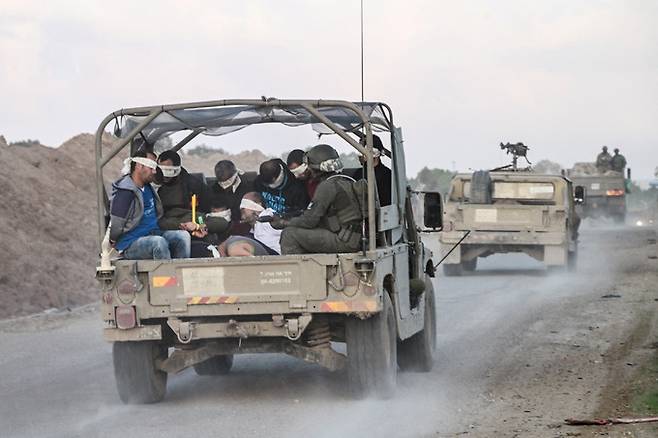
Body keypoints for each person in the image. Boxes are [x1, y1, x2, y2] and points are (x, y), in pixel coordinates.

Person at [276, 144, 363, 254]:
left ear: (316, 168)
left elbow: (309, 221)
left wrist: (283, 222)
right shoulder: (343, 180)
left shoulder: (326, 186)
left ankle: (299, 271)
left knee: (289, 234)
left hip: (343, 241)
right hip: (352, 238)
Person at [109, 151, 190, 259]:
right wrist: (113, 239)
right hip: (131, 242)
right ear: (138, 165)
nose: (154, 171)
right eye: (151, 166)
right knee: (158, 242)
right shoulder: (125, 191)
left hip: (153, 232)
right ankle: (168, 275)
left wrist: (199, 224)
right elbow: (117, 222)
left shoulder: (148, 187)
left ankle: (180, 272)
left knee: (183, 236)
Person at [156, 150, 209, 230]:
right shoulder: (154, 185)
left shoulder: (194, 185)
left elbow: (201, 213)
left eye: (168, 170)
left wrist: (201, 226)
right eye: (161, 170)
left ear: (177, 169)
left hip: (192, 222)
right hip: (166, 224)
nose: (164, 175)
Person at [208, 160, 255, 235]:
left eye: (228, 181)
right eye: (221, 182)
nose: (224, 185)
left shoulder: (248, 188)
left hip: (244, 227)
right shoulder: (213, 190)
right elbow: (203, 215)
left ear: (235, 174)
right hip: (220, 228)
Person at [353, 135, 392, 206]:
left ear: (373, 152)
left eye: (362, 151)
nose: (360, 155)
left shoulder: (387, 175)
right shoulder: (358, 173)